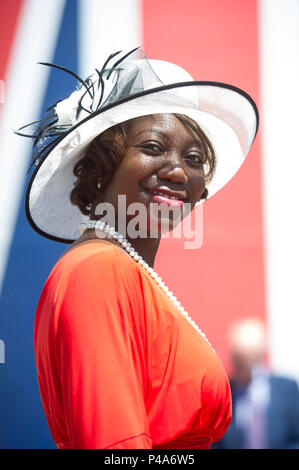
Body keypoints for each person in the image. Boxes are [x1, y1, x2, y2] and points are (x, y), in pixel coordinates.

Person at [20, 48, 258, 449]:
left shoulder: (123, 272)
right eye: (152, 147)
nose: (178, 169)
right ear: (101, 167)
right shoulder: (97, 271)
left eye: (194, 157)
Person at [213, 317, 299, 449]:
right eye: (238, 358)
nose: (242, 366)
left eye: (249, 358)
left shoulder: (287, 389)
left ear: (261, 354)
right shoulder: (223, 394)